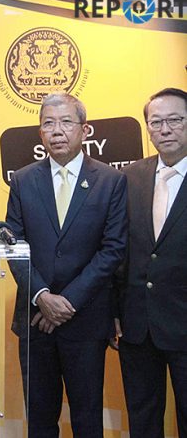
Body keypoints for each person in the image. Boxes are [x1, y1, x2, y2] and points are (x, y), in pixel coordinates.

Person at [6, 93, 127, 437]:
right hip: (35, 319)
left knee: (87, 420)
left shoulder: (111, 180)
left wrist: (66, 302)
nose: (57, 131)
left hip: (86, 320)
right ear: (40, 133)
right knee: (40, 421)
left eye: (66, 122)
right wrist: (42, 296)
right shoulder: (23, 180)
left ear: (85, 130)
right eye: (48, 123)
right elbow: (13, 245)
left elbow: (113, 250)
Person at [113, 88, 186, 437]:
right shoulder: (129, 177)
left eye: (175, 120)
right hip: (137, 326)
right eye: (156, 122)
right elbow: (117, 249)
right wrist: (114, 311)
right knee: (142, 421)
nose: (165, 129)